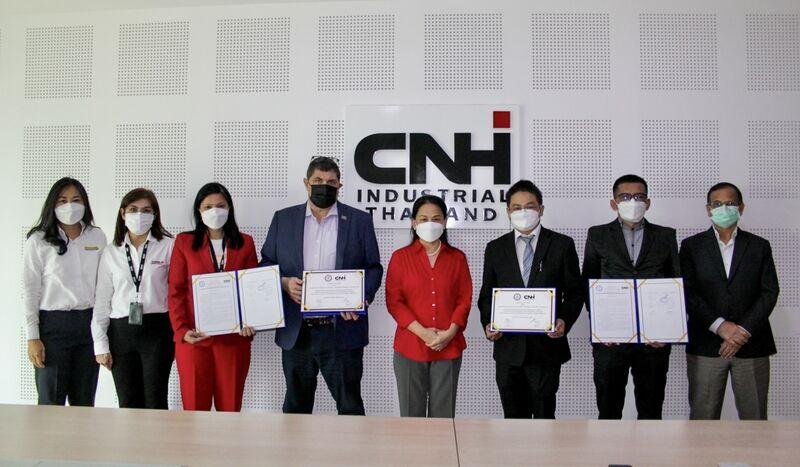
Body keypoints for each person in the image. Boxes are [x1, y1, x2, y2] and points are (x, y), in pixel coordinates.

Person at [261, 156, 382, 415]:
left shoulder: (360, 221)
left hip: (342, 331)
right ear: (306, 183)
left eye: (331, 182)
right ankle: (295, 457)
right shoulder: (283, 219)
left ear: (340, 186)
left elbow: (373, 268)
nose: (324, 186)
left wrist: (361, 298)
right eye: (317, 181)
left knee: (350, 408)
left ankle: (351, 457)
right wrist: (283, 283)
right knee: (295, 410)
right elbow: (266, 263)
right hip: (298, 333)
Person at [478, 180, 583, 419]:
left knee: (545, 419)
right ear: (508, 212)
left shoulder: (561, 245)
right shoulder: (495, 248)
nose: (523, 212)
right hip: (508, 349)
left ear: (541, 209)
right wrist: (488, 324)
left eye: (530, 206)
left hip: (545, 349)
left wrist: (564, 320)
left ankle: (546, 459)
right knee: (513, 420)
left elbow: (575, 292)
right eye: (516, 207)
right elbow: (487, 295)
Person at [582, 174, 680, 419]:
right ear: (614, 203)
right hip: (610, 342)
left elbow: (675, 284)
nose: (632, 202)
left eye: (638, 197)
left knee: (651, 409)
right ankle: (608, 455)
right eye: (625, 197)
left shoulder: (666, 236)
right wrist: (603, 328)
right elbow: (588, 283)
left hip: (654, 341)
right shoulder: (597, 235)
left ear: (648, 202)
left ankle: (648, 457)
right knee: (608, 409)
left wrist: (666, 330)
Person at [680, 182, 779, 420]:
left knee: (755, 418)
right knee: (703, 419)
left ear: (741, 208)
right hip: (706, 345)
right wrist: (721, 326)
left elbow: (769, 292)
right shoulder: (691, 246)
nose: (723, 208)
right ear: (708, 209)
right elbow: (687, 292)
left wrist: (741, 331)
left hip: (751, 345)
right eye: (717, 204)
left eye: (730, 203)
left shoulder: (759, 246)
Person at [168, 182, 257, 411]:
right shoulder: (184, 242)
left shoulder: (245, 243)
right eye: (208, 206)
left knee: (230, 410)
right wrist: (181, 331)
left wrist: (252, 322)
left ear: (229, 209)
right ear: (199, 210)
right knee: (195, 411)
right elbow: (175, 290)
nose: (214, 211)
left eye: (220, 205)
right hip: (194, 340)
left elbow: (252, 290)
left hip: (233, 341)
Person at [23, 177, 107, 406]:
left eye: (75, 199)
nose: (69, 205)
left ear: (85, 203)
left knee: (84, 401)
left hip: (88, 325)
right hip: (53, 327)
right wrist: (33, 337)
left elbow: (104, 287)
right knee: (51, 402)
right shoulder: (39, 240)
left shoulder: (96, 236)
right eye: (62, 200)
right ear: (53, 205)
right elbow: (30, 290)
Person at [385, 195, 471, 418]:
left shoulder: (457, 258)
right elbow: (394, 301)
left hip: (448, 345)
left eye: (436, 218)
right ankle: (413, 455)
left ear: (444, 222)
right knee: (411, 415)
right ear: (414, 223)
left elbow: (464, 299)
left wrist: (450, 332)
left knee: (443, 418)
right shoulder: (400, 258)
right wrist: (423, 333)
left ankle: (441, 455)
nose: (429, 223)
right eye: (423, 218)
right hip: (410, 346)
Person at [91, 188, 175, 409]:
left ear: (155, 214)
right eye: (133, 209)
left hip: (157, 332)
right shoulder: (111, 251)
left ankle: (157, 445)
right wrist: (100, 344)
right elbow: (102, 301)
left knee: (156, 401)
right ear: (122, 214)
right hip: (121, 333)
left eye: (146, 210)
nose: (140, 215)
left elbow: (178, 292)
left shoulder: (168, 246)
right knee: (128, 403)